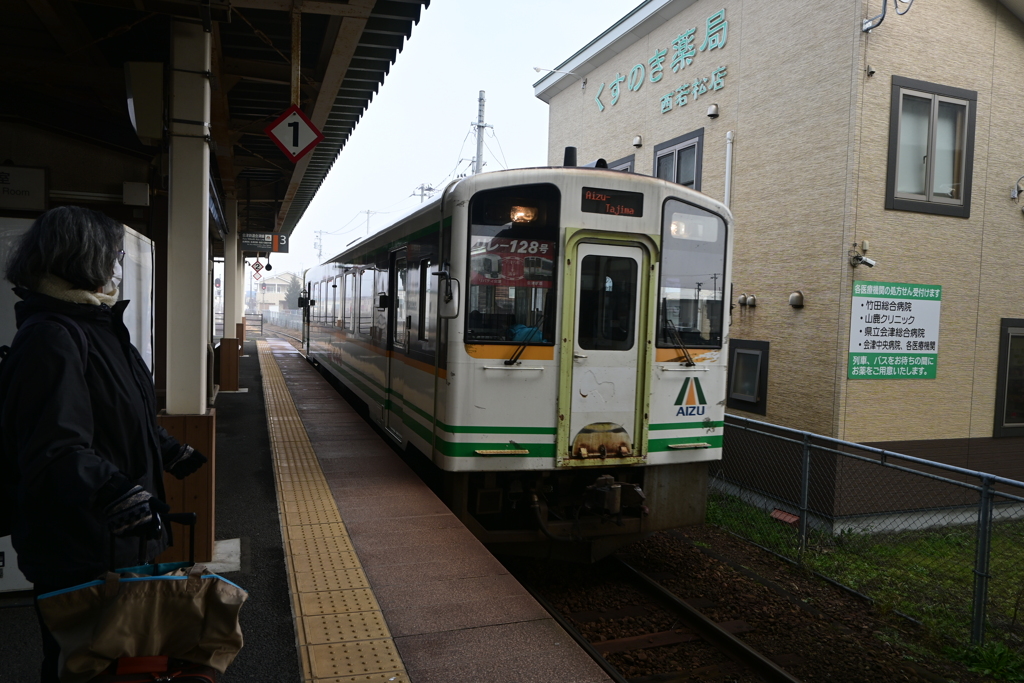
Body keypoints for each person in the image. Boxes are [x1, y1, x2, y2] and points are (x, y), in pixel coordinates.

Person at [0, 206, 207, 682]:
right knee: (83, 664)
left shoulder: (98, 326)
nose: (116, 266)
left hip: (116, 539)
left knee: (122, 663)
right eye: (111, 255)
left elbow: (122, 415)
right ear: (83, 258)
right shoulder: (52, 336)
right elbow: (55, 449)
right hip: (80, 546)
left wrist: (169, 449)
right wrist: (116, 492)